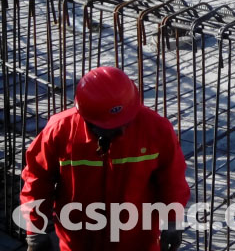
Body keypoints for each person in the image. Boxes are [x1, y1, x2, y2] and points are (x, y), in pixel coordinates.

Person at [19, 66, 190, 251]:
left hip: (138, 240)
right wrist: (35, 231)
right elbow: (37, 180)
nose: (122, 131)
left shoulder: (156, 129)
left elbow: (172, 180)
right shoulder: (60, 131)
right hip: (78, 240)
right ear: (87, 118)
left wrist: (173, 220)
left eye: (126, 122)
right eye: (113, 128)